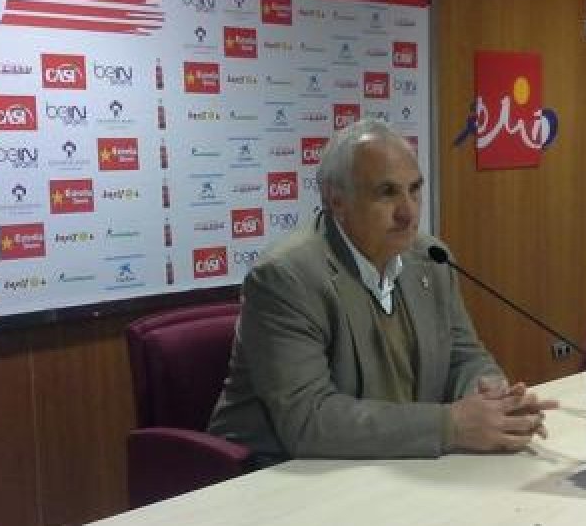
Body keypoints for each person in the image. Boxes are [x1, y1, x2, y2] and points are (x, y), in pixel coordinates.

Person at [209, 119, 554, 463]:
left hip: (389, 462)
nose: (408, 212)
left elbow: (464, 357)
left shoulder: (431, 259)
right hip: (274, 478)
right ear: (336, 200)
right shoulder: (287, 277)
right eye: (387, 193)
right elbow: (310, 420)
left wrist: (495, 402)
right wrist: (451, 425)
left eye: (415, 190)